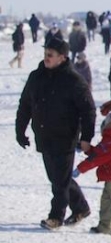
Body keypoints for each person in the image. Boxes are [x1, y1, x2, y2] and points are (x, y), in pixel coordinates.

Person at [15, 37, 95, 230]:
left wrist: (86, 138)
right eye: (45, 54)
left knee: (59, 180)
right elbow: (25, 105)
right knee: (59, 177)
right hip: (44, 135)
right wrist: (20, 130)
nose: (46, 58)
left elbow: (88, 110)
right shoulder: (36, 76)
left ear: (62, 57)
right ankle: (81, 207)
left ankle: (56, 217)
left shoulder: (74, 80)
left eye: (50, 55)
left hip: (65, 137)